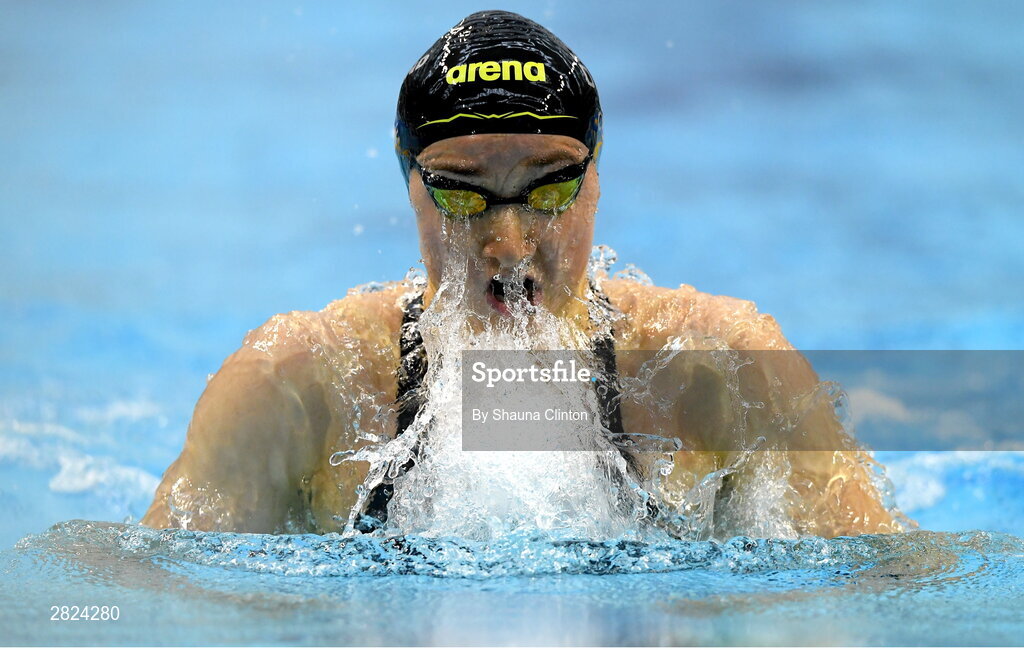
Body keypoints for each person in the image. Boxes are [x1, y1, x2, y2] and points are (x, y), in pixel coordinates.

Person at [142, 10, 904, 538]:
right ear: (407, 184)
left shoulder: (722, 370)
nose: (508, 245)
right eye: (459, 193)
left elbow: (875, 594)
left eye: (550, 188)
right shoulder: (294, 388)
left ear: (598, 177)